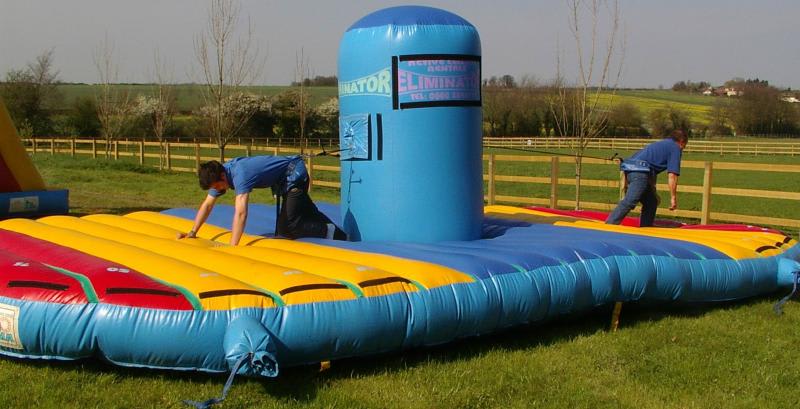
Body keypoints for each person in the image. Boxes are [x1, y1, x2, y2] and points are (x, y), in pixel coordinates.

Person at [177, 155, 346, 245]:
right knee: (301, 211)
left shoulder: (240, 175)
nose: (218, 190)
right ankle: (340, 234)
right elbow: (207, 205)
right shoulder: (221, 175)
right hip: (284, 179)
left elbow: (241, 213)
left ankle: (328, 230)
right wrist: (193, 232)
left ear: (222, 176)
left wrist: (232, 247)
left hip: (294, 174)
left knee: (288, 228)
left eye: (217, 186)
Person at [605, 130, 688, 227]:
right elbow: (672, 175)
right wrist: (673, 197)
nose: (683, 149)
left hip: (632, 168)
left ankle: (646, 227)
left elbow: (651, 166)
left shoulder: (663, 144)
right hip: (640, 172)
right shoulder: (675, 148)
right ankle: (609, 225)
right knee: (631, 200)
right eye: (684, 146)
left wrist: (652, 189)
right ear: (681, 142)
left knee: (651, 202)